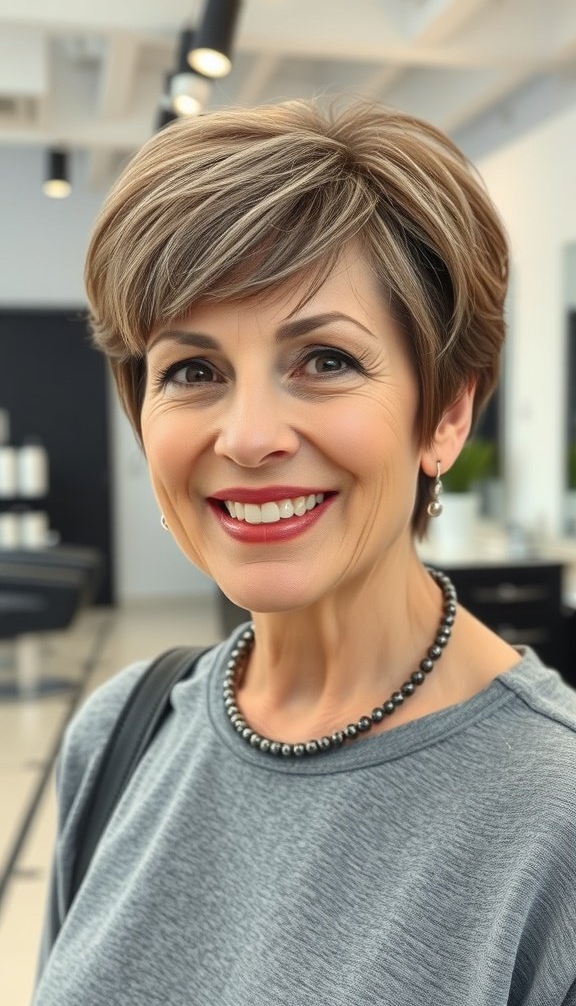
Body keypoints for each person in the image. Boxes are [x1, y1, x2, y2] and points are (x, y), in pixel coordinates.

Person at [34, 100, 576, 1005]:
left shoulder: (551, 818)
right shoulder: (122, 736)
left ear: (445, 414)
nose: (247, 438)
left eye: (324, 360)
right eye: (192, 371)